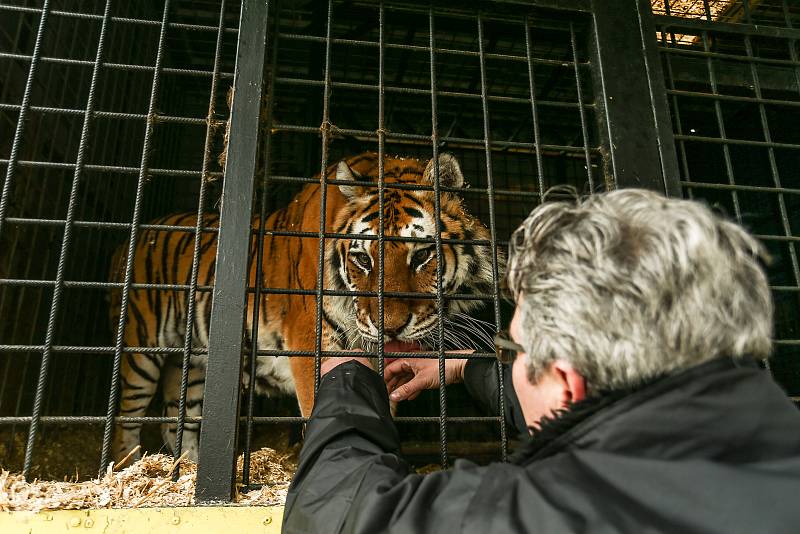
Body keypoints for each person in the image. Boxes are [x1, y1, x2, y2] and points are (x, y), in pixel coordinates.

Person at [282, 189, 800, 533]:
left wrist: (347, 377)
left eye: (519, 350)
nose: (513, 363)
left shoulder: (560, 513)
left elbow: (332, 513)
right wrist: (466, 366)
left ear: (567, 380)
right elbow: (594, 411)